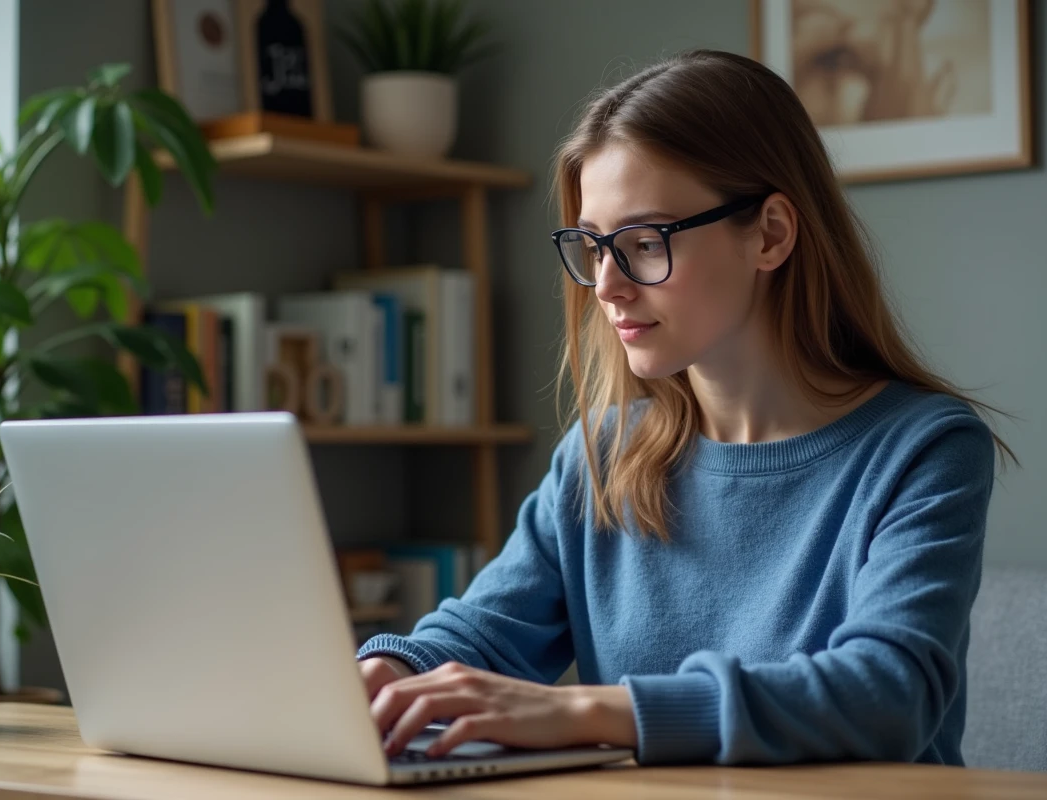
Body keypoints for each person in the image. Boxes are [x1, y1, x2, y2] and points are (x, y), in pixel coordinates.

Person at [355, 48, 1009, 767]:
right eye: (594, 246)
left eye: (644, 241)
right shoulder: (601, 456)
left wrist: (581, 709)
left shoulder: (924, 450)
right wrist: (389, 676)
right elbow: (479, 638)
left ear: (770, 234)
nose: (607, 286)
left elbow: (887, 697)